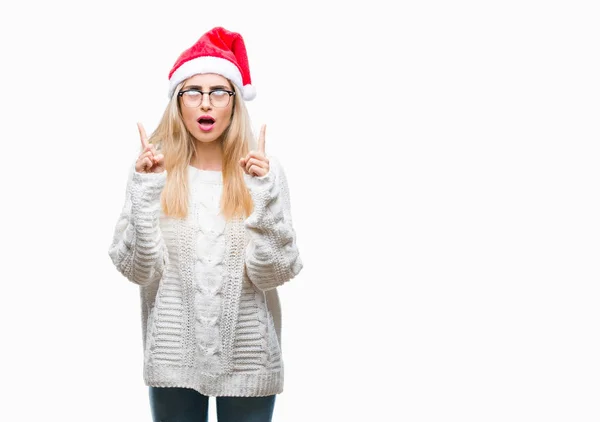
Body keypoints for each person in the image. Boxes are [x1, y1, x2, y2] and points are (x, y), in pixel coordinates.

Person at [108, 26, 303, 422]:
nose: (206, 103)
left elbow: (274, 273)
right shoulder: (153, 169)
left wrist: (263, 195)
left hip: (249, 358)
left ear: (235, 101)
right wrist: (145, 189)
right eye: (193, 92)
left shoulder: (262, 172)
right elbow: (138, 270)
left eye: (219, 92)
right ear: (178, 102)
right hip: (173, 356)